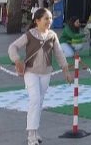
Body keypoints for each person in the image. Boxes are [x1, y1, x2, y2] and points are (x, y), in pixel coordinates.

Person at [7, 8, 74, 145]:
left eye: (50, 18)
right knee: (35, 100)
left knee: (40, 102)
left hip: (46, 73)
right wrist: (17, 60)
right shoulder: (30, 34)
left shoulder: (52, 35)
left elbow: (59, 54)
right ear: (37, 21)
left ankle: (35, 131)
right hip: (30, 72)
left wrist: (66, 71)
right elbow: (13, 47)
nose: (49, 21)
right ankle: (31, 135)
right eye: (46, 18)